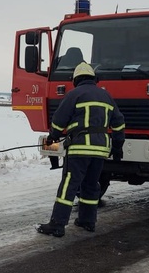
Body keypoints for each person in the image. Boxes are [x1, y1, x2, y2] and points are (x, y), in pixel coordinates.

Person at [36, 62, 125, 237]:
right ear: (94, 79)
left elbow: (59, 119)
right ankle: (87, 221)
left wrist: (52, 136)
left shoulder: (74, 94)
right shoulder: (106, 96)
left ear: (76, 79)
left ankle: (57, 224)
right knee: (91, 185)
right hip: (100, 150)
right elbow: (119, 123)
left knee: (69, 185)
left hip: (79, 149)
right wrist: (117, 147)